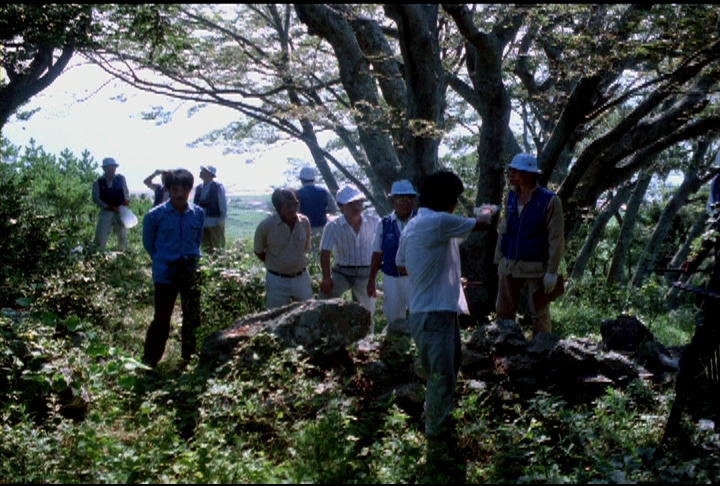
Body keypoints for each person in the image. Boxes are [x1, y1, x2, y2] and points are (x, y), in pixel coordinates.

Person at [395, 170, 495, 460]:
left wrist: (439, 276)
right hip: (434, 314)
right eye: (455, 200)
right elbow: (485, 223)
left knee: (444, 374)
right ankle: (437, 448)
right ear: (448, 201)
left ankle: (436, 427)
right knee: (441, 377)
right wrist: (492, 209)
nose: (455, 206)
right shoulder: (439, 222)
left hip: (429, 310)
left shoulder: (415, 225)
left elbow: (403, 265)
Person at [494, 153, 565, 337]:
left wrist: (552, 270)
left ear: (529, 174)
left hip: (536, 267)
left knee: (539, 313)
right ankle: (503, 348)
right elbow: (505, 227)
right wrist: (499, 258)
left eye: (516, 172)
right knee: (503, 311)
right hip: (509, 263)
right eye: (511, 171)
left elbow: (556, 238)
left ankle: (542, 350)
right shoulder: (510, 197)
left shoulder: (549, 200)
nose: (511, 175)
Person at [141, 168, 205, 368]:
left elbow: (197, 241)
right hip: (165, 273)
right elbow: (149, 244)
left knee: (192, 316)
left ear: (190, 190)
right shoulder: (154, 216)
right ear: (168, 189)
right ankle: (150, 360)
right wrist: (163, 259)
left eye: (184, 189)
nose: (180, 194)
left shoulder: (198, 214)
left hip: (190, 271)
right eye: (175, 189)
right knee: (161, 318)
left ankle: (189, 358)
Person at [319, 184, 380, 325]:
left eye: (359, 202)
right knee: (325, 297)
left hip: (365, 271)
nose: (356, 207)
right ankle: (327, 331)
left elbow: (381, 247)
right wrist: (326, 277)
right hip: (342, 271)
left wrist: (374, 276)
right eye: (351, 203)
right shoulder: (333, 226)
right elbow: (325, 252)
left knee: (367, 312)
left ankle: (367, 341)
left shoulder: (374, 222)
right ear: (342, 206)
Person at [367, 179, 417, 327]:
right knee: (394, 317)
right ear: (393, 200)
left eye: (409, 198)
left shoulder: (420, 220)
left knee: (419, 315)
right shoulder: (384, 224)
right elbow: (377, 253)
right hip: (392, 278)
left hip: (415, 277)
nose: (405, 202)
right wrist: (372, 281)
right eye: (401, 199)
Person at [254, 187, 314, 309]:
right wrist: (277, 263)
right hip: (277, 281)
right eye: (288, 206)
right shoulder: (266, 226)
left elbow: (306, 248)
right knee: (275, 317)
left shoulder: (304, 222)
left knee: (307, 313)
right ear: (278, 207)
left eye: (295, 204)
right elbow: (258, 251)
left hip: (301, 278)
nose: (293, 209)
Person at [92, 157, 131, 251]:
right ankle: (97, 255)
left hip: (120, 211)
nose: (112, 169)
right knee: (100, 236)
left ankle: (124, 257)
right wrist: (108, 207)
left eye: (113, 167)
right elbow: (96, 198)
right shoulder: (98, 182)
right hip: (106, 211)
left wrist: (126, 202)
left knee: (123, 236)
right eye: (109, 167)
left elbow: (126, 192)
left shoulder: (121, 179)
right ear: (105, 169)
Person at [296, 166, 339, 250]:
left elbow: (297, 213)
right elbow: (333, 209)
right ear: (313, 179)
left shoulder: (297, 194)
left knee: (309, 254)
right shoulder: (324, 191)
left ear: (302, 180)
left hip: (305, 229)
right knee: (323, 251)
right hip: (323, 228)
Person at [193, 165, 227, 253]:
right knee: (205, 246)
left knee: (218, 246)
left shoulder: (218, 187)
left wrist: (221, 219)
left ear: (209, 174)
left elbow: (222, 203)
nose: (201, 173)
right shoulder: (198, 188)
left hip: (214, 221)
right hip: (202, 222)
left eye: (203, 171)